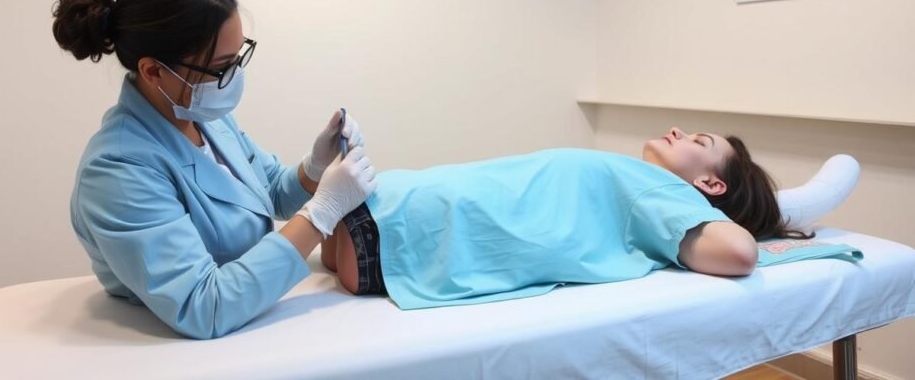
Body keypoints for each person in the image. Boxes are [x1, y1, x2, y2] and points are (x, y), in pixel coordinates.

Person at [52, 0, 377, 339]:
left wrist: (316, 166)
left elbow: (268, 193)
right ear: (153, 71)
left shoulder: (202, 115)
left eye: (239, 57)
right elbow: (202, 307)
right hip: (189, 348)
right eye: (222, 67)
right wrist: (322, 215)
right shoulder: (117, 170)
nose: (234, 76)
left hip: (256, 317)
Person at [320, 129, 813, 310]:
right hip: (389, 212)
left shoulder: (668, 194)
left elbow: (740, 252)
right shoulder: (643, 184)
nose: (676, 131)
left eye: (697, 143)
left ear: (710, 187)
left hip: (394, 229)